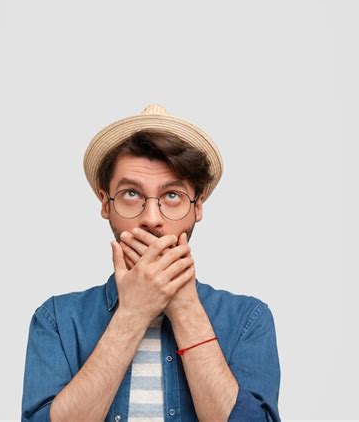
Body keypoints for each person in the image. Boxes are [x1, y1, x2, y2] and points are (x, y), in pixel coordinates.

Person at [21, 104, 281, 421]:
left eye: (172, 196)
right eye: (132, 193)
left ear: (197, 206)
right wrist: (131, 314)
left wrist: (185, 307)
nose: (152, 219)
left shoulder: (248, 319)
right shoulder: (57, 320)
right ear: (106, 204)